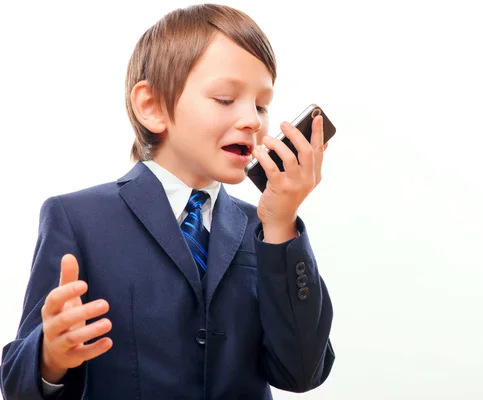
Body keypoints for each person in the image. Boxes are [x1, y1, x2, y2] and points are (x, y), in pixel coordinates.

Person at [0, 4, 335, 399]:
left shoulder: (265, 229)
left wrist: (282, 224)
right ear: (152, 106)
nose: (253, 120)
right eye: (226, 99)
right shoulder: (77, 219)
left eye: (261, 105)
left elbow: (302, 372)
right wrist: (50, 357)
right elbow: (16, 384)